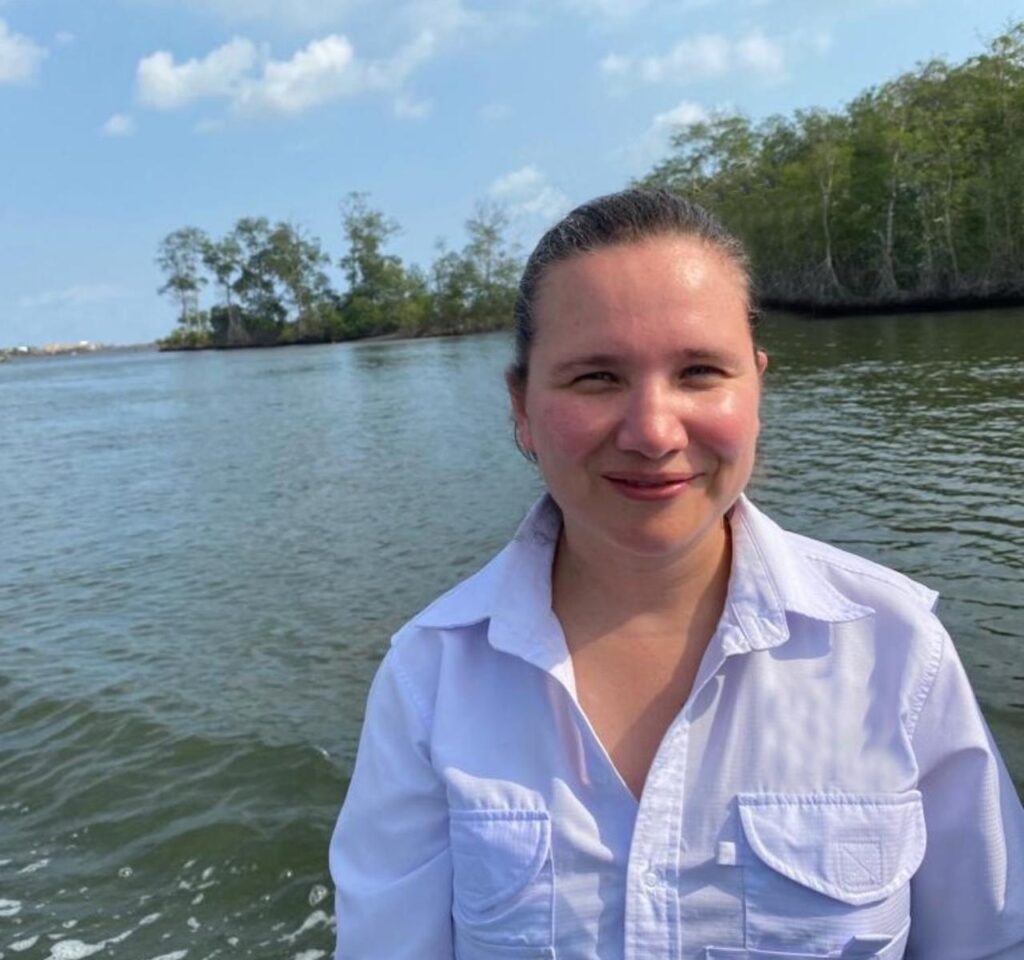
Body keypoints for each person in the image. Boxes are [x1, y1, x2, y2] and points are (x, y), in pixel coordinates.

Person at [329, 189, 1024, 959]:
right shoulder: (428, 678)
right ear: (521, 406)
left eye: (699, 371)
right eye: (597, 378)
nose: (654, 432)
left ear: (756, 388)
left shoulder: (896, 649)